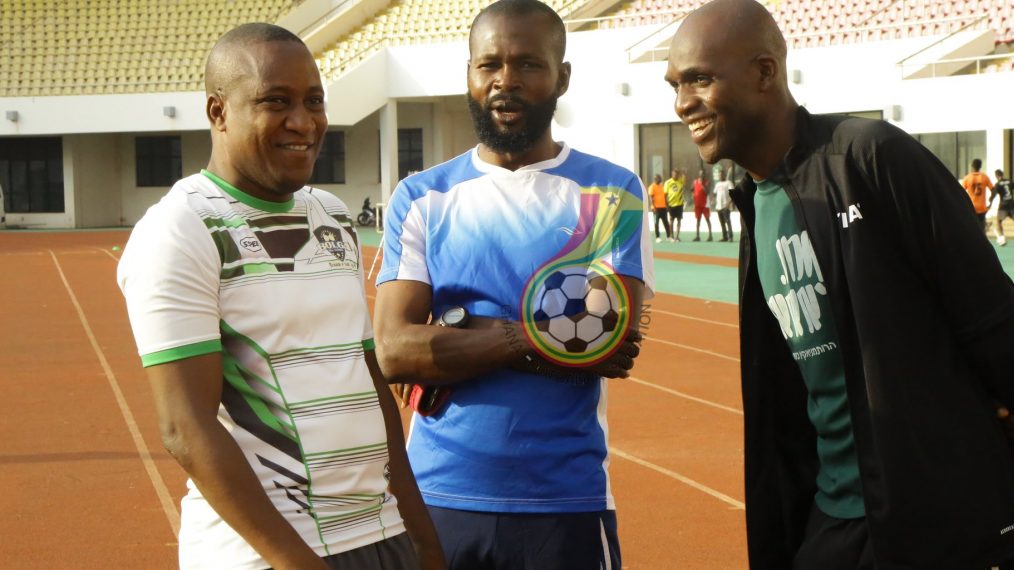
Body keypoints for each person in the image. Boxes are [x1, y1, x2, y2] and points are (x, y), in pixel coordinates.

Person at [665, 1, 1014, 568]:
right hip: (836, 513)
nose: (682, 103)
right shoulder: (755, 203)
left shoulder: (870, 156)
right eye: (676, 85)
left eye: (699, 79)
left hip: (931, 517)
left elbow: (989, 313)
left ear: (764, 72)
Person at [116, 23, 444, 570]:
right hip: (267, 553)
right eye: (276, 101)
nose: (304, 121)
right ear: (219, 112)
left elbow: (368, 384)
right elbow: (185, 428)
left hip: (379, 533)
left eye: (314, 100)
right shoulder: (181, 229)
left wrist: (422, 538)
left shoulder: (331, 215)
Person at [373, 1, 654, 568]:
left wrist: (459, 335)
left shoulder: (613, 192)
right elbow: (395, 352)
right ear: (470, 75)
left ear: (562, 77)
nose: (506, 81)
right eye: (490, 65)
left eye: (528, 64)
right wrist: (537, 336)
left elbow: (607, 342)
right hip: (439, 496)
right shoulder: (422, 197)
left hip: (566, 498)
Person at [990, 169, 1014, 247]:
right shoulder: (1009, 181)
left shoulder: (998, 184)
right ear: (1002, 174)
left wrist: (990, 203)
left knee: (999, 221)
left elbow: (994, 195)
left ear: (996, 176)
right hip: (1012, 204)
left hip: (1003, 205)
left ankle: (1002, 238)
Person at [963, 158, 994, 234]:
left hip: (971, 206)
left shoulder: (967, 178)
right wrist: (990, 202)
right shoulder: (984, 177)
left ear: (972, 166)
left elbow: (960, 191)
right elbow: (993, 190)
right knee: (981, 229)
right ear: (980, 166)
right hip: (982, 207)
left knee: (971, 227)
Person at [648, 173, 672, 242]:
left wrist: (667, 205)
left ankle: (668, 236)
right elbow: (651, 198)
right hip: (656, 209)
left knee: (666, 223)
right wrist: (653, 206)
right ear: (655, 179)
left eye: (660, 178)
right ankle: (657, 237)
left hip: (663, 208)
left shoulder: (662, 186)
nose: (659, 180)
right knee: (656, 223)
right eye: (658, 178)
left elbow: (665, 196)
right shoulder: (652, 187)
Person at [713, 169, 734, 242]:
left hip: (726, 206)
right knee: (722, 223)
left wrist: (729, 203)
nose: (720, 176)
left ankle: (730, 237)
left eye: (722, 175)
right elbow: (714, 193)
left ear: (724, 175)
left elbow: (733, 194)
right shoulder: (717, 184)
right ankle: (724, 237)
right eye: (719, 175)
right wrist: (715, 201)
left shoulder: (728, 183)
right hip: (718, 207)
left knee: (728, 222)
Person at [691, 171, 713, 241]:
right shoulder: (695, 182)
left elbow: (707, 192)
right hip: (697, 204)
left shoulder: (707, 182)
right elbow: (692, 190)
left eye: (703, 174)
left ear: (704, 175)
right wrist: (693, 197)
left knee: (707, 219)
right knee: (698, 220)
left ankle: (710, 236)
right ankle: (697, 236)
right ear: (699, 174)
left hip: (705, 204)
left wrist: (702, 185)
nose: (702, 175)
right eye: (700, 174)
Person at [665, 167, 686, 241]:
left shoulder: (681, 181)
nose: (675, 176)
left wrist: (683, 172)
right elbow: (665, 195)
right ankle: (671, 236)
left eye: (677, 174)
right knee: (671, 220)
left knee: (679, 220)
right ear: (672, 174)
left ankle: (677, 236)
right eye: (674, 174)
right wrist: (666, 204)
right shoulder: (668, 182)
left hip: (679, 204)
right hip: (671, 204)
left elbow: (684, 176)